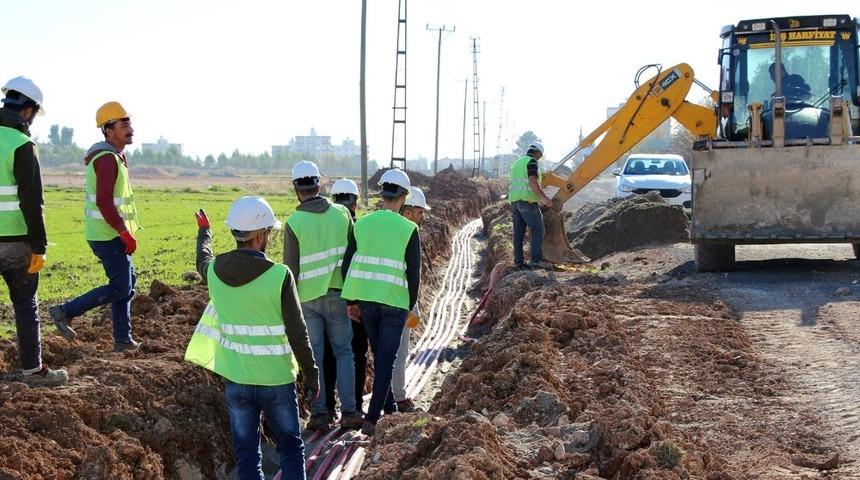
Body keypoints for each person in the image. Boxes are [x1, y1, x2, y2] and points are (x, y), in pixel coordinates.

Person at [185, 196, 318, 480]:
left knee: (247, 456)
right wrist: (311, 374)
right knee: (291, 450)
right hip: (276, 380)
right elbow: (297, 333)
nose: (269, 236)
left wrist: (204, 232)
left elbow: (202, 260)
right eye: (268, 231)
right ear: (259, 235)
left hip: (237, 381)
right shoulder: (279, 276)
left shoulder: (215, 272)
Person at [49, 102, 141, 352]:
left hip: (111, 233)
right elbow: (103, 201)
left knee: (127, 283)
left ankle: (123, 339)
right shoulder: (107, 159)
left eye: (129, 123)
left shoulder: (116, 157)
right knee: (121, 286)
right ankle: (65, 311)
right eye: (124, 124)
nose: (130, 128)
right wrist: (123, 232)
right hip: (107, 235)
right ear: (108, 130)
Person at [340, 168, 421, 435]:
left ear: (382, 193)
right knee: (386, 359)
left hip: (367, 303)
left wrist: (352, 300)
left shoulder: (361, 224)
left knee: (380, 355)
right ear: (404, 197)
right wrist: (409, 305)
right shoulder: (409, 228)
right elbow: (414, 274)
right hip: (394, 304)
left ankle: (388, 407)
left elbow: (347, 266)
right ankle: (373, 419)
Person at [283, 163, 361, 430]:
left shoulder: (293, 223)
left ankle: (320, 414)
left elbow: (290, 271)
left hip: (307, 300)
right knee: (344, 353)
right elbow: (355, 256)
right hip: (340, 294)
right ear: (319, 185)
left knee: (314, 357)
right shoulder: (342, 214)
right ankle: (350, 412)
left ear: (296, 189)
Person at [0, 76, 67, 386]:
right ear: (27, 111)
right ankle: (33, 372)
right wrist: (39, 247)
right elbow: (32, 202)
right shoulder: (23, 145)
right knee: (25, 306)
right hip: (16, 245)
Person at [327, 178, 369, 416]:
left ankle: (330, 407)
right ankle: (354, 407)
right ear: (355, 202)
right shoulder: (361, 228)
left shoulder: (327, 228)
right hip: (356, 299)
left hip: (330, 296)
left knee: (332, 354)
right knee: (357, 354)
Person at [390, 186, 431, 413]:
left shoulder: (388, 230)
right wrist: (411, 308)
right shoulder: (406, 233)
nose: (422, 216)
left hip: (385, 299)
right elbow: (411, 273)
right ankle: (399, 396)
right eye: (419, 212)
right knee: (400, 350)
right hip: (400, 300)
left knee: (389, 349)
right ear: (407, 211)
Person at [508, 142, 552, 270]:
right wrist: (544, 198)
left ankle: (519, 262)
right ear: (537, 153)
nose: (539, 158)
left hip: (515, 202)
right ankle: (536, 260)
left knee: (518, 234)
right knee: (538, 229)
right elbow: (532, 180)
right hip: (528, 202)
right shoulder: (532, 162)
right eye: (540, 155)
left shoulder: (516, 164)